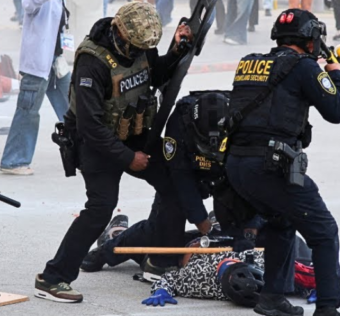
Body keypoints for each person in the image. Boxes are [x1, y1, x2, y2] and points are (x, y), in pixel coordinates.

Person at [35, 2, 193, 303]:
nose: (138, 53)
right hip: (96, 144)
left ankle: (160, 260)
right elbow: (90, 126)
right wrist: (127, 158)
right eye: (134, 47)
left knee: (175, 183)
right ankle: (53, 278)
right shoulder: (92, 62)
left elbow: (154, 76)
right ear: (120, 31)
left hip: (134, 133)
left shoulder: (141, 43)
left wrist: (174, 50)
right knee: (100, 210)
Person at [225, 9, 340, 316]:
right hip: (271, 166)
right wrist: (337, 75)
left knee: (281, 222)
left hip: (237, 165)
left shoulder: (249, 62)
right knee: (323, 231)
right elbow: (336, 110)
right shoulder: (305, 67)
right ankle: (328, 308)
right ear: (310, 40)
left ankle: (272, 298)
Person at [81, 91, 258, 278]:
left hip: (228, 177)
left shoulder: (244, 120)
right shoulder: (180, 122)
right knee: (164, 237)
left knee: (237, 240)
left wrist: (251, 226)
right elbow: (181, 182)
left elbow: (252, 179)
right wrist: (203, 224)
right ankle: (109, 247)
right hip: (186, 176)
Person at [0, 0, 74, 176]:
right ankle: (13, 161)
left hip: (56, 62)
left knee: (74, 107)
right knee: (28, 111)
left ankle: (84, 154)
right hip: (38, 65)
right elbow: (29, 3)